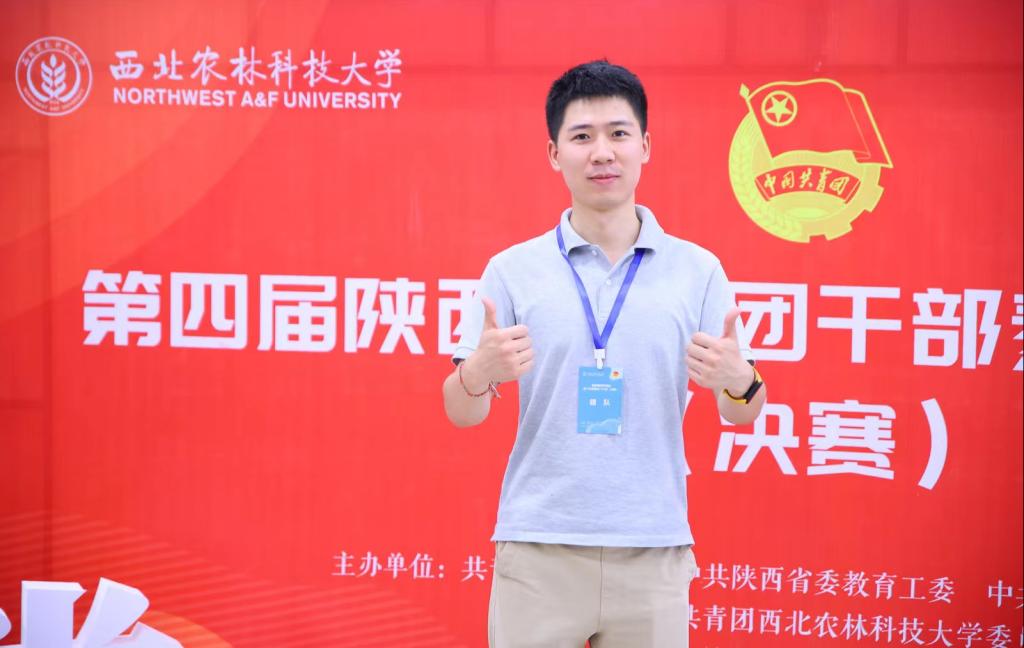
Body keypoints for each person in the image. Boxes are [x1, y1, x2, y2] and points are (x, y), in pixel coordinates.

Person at [441, 60, 767, 648]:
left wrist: (740, 380)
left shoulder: (698, 271)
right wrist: (479, 373)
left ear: (645, 146)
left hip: (653, 548)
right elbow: (462, 412)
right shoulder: (511, 270)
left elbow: (739, 411)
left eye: (618, 133)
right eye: (582, 136)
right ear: (554, 153)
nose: (602, 153)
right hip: (539, 548)